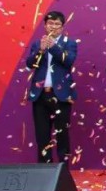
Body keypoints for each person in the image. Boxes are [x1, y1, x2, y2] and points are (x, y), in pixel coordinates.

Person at [25, 11, 77, 163]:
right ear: (45, 25)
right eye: (50, 24)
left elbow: (69, 61)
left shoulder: (69, 43)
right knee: (42, 135)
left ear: (62, 27)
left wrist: (53, 47)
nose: (53, 27)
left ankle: (63, 169)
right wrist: (40, 50)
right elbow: (29, 65)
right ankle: (44, 167)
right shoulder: (37, 43)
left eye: (57, 24)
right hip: (40, 95)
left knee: (62, 134)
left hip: (61, 95)